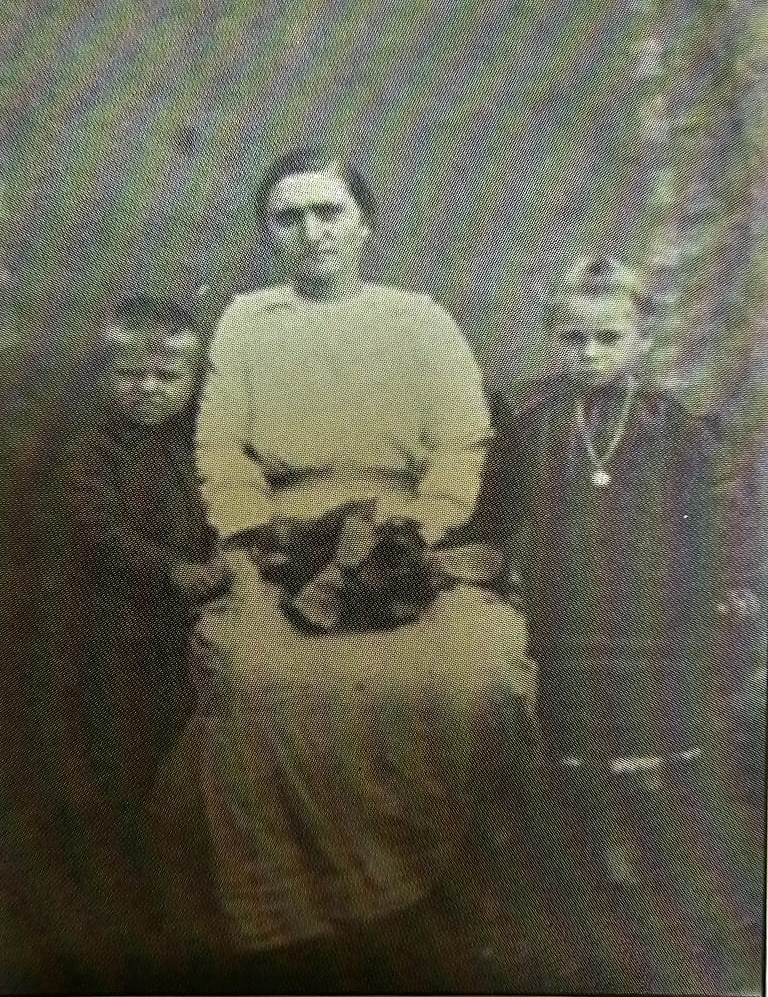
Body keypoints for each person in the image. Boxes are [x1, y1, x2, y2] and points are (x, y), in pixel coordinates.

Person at [192, 148, 534, 992]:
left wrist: (416, 528)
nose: (312, 234)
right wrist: (256, 532)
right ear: (269, 233)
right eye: (289, 217)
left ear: (364, 223)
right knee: (261, 678)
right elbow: (219, 447)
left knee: (474, 676)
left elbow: (462, 443)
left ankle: (445, 885)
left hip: (404, 532)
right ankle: (298, 914)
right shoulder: (245, 321)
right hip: (282, 534)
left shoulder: (419, 319)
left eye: (329, 213)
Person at [468, 255, 763, 992]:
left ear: (644, 338)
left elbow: (709, 525)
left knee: (652, 738)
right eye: (573, 339)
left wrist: (730, 586)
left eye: (607, 338)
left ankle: (653, 860)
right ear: (552, 338)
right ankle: (588, 855)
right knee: (571, 736)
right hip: (563, 605)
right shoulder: (530, 419)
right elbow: (493, 514)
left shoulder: (676, 426)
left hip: (655, 608)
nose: (589, 354)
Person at [63, 295, 232, 986]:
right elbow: (96, 531)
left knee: (182, 753)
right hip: (112, 629)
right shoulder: (90, 452)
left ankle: (176, 899)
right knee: (119, 761)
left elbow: (216, 509)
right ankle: (116, 911)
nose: (148, 390)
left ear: (191, 384)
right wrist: (177, 572)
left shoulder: (192, 446)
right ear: (105, 378)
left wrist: (221, 554)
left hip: (178, 632)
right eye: (131, 375)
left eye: (167, 378)